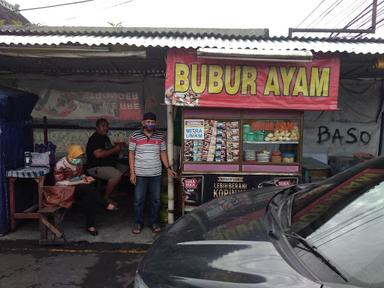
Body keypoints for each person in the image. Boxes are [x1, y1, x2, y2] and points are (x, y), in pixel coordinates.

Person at [129, 112, 177, 234]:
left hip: (155, 173)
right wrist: (132, 173)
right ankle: (138, 223)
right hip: (140, 174)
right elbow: (131, 154)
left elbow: (163, 153)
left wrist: (168, 168)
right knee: (139, 200)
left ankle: (154, 223)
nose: (150, 124)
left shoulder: (160, 136)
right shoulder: (135, 136)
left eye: (152, 122)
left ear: (155, 123)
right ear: (143, 123)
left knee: (155, 200)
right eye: (148, 122)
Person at [54, 144, 98, 236]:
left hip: (77, 190)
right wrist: (78, 182)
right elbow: (59, 183)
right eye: (77, 156)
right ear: (72, 154)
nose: (79, 159)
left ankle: (91, 225)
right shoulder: (60, 164)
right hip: (64, 191)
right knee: (86, 189)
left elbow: (80, 175)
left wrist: (85, 178)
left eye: (80, 156)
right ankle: (104, 203)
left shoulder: (79, 162)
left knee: (88, 197)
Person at [86, 118, 127, 211]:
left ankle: (113, 191)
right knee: (116, 175)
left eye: (107, 126)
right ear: (97, 127)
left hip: (108, 164)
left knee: (126, 168)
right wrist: (114, 149)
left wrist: (119, 147)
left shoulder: (105, 137)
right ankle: (106, 197)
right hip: (96, 167)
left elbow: (109, 151)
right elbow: (98, 154)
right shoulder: (95, 138)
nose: (106, 128)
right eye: (103, 126)